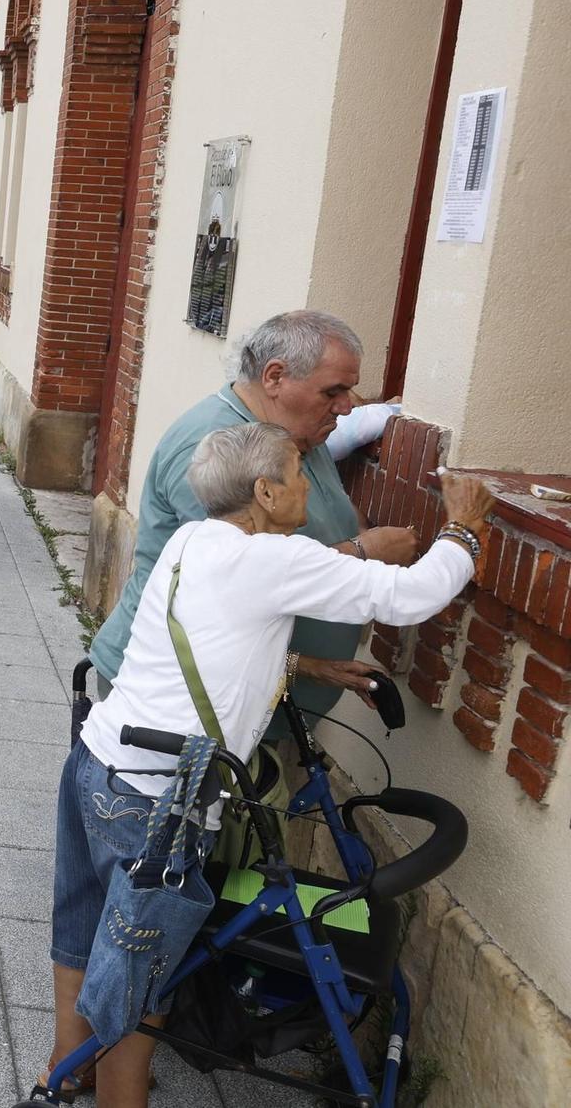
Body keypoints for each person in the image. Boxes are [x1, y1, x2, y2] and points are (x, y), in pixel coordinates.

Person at [41, 422, 492, 1106]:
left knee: (82, 933)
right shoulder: (276, 560)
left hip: (96, 762)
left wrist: (302, 663)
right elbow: (407, 595)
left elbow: (200, 637)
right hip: (154, 800)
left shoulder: (196, 538)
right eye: (299, 471)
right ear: (265, 491)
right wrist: (464, 528)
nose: (310, 482)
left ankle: (62, 1069)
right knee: (140, 981)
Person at [88, 311, 420, 719]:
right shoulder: (214, 445)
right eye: (332, 391)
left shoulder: (294, 434)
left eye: (349, 391)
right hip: (185, 702)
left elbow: (327, 503)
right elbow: (230, 588)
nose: (347, 407)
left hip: (259, 697)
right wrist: (363, 551)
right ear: (275, 377)